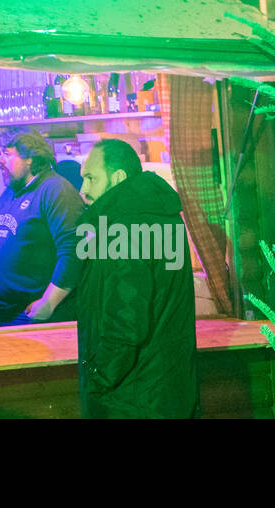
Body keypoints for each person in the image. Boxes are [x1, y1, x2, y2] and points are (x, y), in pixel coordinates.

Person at [76, 139, 199, 418]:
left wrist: (96, 379)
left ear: (118, 178)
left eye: (90, 178)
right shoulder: (160, 215)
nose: (83, 190)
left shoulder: (124, 227)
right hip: (164, 391)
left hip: (130, 399)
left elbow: (125, 323)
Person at [0, 132, 84, 326]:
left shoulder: (54, 189)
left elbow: (74, 249)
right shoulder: (9, 193)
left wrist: (49, 302)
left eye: (6, 154)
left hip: (31, 315)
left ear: (29, 157)